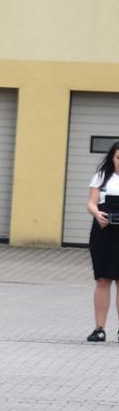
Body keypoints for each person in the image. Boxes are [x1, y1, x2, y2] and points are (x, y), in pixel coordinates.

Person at [87, 142, 119, 341]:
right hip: (103, 232)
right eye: (118, 158)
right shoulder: (102, 176)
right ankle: (100, 328)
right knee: (102, 280)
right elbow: (91, 202)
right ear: (112, 158)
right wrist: (97, 213)